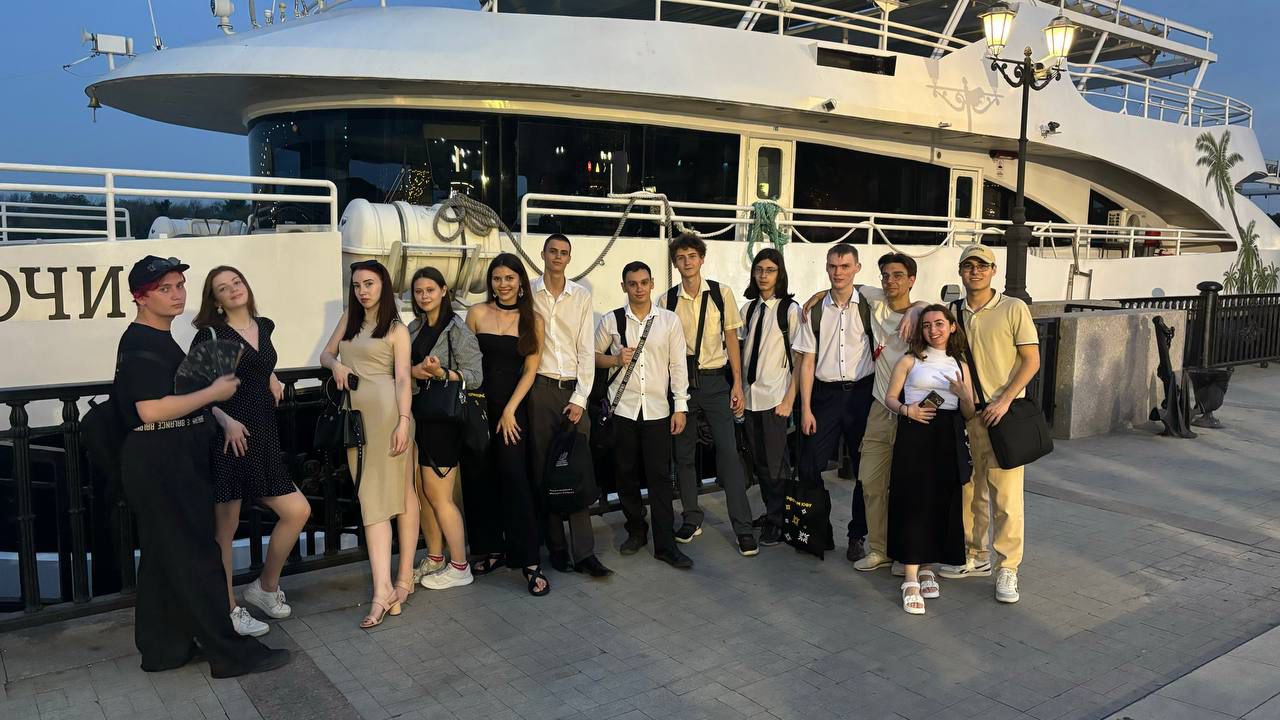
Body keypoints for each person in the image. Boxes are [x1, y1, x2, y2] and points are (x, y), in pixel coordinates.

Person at [114, 255, 289, 677]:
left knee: (161, 560)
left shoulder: (158, 338)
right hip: (162, 463)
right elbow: (149, 410)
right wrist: (213, 393)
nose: (177, 294)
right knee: (200, 556)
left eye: (180, 286)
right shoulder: (139, 343)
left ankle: (163, 649)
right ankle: (228, 653)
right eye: (165, 289)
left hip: (167, 459)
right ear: (141, 298)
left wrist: (224, 405)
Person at [192, 266, 311, 638]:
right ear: (216, 301)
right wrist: (225, 420)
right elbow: (194, 390)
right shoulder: (211, 335)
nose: (233, 290)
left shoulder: (265, 326)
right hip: (229, 438)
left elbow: (258, 363)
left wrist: (270, 375)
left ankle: (265, 587)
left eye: (237, 282)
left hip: (263, 435)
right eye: (223, 288)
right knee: (225, 531)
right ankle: (228, 609)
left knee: (298, 510)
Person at [938, 245, 1040, 605]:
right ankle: (975, 554)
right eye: (968, 265)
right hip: (968, 414)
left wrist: (1005, 399)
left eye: (982, 265)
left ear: (994, 270)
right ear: (960, 271)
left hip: (1003, 415)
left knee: (1006, 497)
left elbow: (1031, 359)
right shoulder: (954, 312)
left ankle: (1008, 566)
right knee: (970, 490)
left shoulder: (1013, 308)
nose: (975, 271)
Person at [319, 260, 419, 627]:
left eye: (370, 284)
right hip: (356, 420)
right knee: (372, 498)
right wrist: (336, 366)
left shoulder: (396, 329)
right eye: (357, 284)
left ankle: (392, 586)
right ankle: (392, 587)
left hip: (390, 417)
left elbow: (403, 379)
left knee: (399, 495)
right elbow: (326, 354)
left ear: (384, 286)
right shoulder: (349, 318)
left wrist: (404, 422)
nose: (362, 291)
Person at [594, 261, 693, 569]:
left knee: (660, 478)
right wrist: (613, 359)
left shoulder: (669, 321)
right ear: (624, 286)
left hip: (658, 411)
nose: (639, 288)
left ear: (652, 284)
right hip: (623, 410)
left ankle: (665, 544)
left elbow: (678, 366)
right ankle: (636, 530)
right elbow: (591, 357)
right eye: (633, 283)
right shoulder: (611, 320)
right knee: (625, 474)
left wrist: (680, 406)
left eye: (644, 282)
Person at [666, 233, 757, 556]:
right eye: (681, 257)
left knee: (729, 454)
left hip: (716, 382)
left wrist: (737, 384)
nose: (687, 262)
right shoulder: (667, 300)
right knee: (684, 455)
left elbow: (732, 340)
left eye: (692, 256)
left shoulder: (721, 293)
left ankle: (743, 528)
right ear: (675, 263)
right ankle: (692, 517)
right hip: (683, 386)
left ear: (701, 259)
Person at [466, 253, 551, 596]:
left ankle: (529, 561)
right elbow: (467, 361)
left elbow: (530, 370)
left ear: (520, 282)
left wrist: (509, 410)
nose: (503, 284)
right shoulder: (476, 313)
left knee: (516, 480)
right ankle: (492, 550)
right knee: (481, 479)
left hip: (513, 410)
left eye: (509, 278)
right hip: (478, 407)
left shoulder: (534, 319)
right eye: (497, 278)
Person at [528, 235, 612, 577]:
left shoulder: (581, 296)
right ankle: (557, 548)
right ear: (543, 254)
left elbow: (585, 350)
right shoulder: (529, 293)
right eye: (553, 251)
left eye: (564, 253)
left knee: (577, 470)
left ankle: (584, 552)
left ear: (569, 258)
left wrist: (580, 398)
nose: (558, 257)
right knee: (544, 470)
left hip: (572, 391)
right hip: (539, 389)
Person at [883, 305, 975, 615]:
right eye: (926, 325)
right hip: (915, 431)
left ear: (952, 327)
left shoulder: (960, 363)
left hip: (947, 433)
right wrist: (907, 410)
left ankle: (926, 567)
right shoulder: (910, 360)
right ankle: (910, 576)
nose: (933, 330)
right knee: (913, 500)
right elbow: (890, 397)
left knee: (940, 500)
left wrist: (963, 393)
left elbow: (969, 412)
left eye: (939, 323)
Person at [793, 244, 878, 556]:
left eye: (844, 266)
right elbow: (807, 361)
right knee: (810, 465)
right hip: (824, 395)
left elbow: (902, 296)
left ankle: (857, 534)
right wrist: (805, 408)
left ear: (857, 268)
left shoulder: (870, 303)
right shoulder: (814, 310)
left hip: (861, 395)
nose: (838, 272)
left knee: (864, 469)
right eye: (832, 266)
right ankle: (819, 529)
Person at [406, 267, 483, 591]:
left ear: (443, 291)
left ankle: (460, 566)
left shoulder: (457, 330)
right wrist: (414, 370)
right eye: (419, 291)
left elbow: (475, 376)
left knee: (440, 496)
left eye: (430, 290)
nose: (424, 296)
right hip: (420, 417)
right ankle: (435, 557)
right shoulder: (414, 327)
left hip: (444, 422)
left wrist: (442, 374)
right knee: (424, 494)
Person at [738, 249, 801, 548]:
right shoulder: (748, 309)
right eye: (759, 269)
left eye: (770, 270)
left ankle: (779, 520)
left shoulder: (789, 310)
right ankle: (772, 511)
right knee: (760, 462)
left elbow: (801, 359)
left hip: (775, 397)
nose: (763, 275)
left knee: (776, 464)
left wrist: (790, 399)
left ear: (780, 274)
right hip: (750, 397)